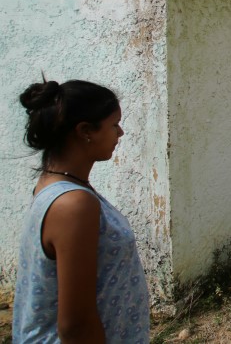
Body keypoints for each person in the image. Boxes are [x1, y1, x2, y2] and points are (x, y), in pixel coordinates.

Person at [13, 79, 149, 343]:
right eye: (113, 125)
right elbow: (76, 325)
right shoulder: (73, 204)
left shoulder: (56, 185)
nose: (119, 133)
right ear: (86, 131)